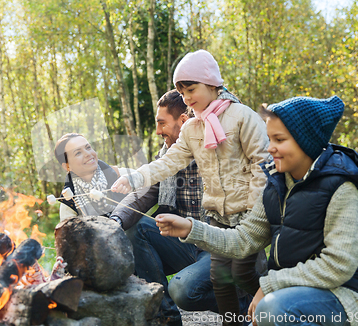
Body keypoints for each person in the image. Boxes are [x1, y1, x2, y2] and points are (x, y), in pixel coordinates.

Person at [156, 96, 358, 326]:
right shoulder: (277, 185)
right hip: (295, 292)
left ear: (305, 141)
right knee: (271, 309)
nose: (270, 148)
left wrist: (269, 286)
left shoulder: (341, 187)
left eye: (279, 139)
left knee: (271, 309)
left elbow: (337, 266)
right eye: (269, 139)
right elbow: (243, 239)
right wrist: (190, 228)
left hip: (349, 296)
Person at [112, 50, 271, 325]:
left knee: (246, 278)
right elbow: (168, 162)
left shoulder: (242, 117)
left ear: (212, 84)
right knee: (222, 285)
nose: (186, 98)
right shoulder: (192, 130)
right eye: (182, 92)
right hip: (216, 223)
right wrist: (135, 178)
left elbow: (263, 163)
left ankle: (274, 300)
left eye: (191, 89)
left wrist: (254, 208)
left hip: (246, 222)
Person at [53, 133, 133, 221]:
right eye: (78, 153)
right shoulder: (69, 201)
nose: (87, 153)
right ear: (67, 166)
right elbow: (68, 232)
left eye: (88, 147)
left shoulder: (120, 175)